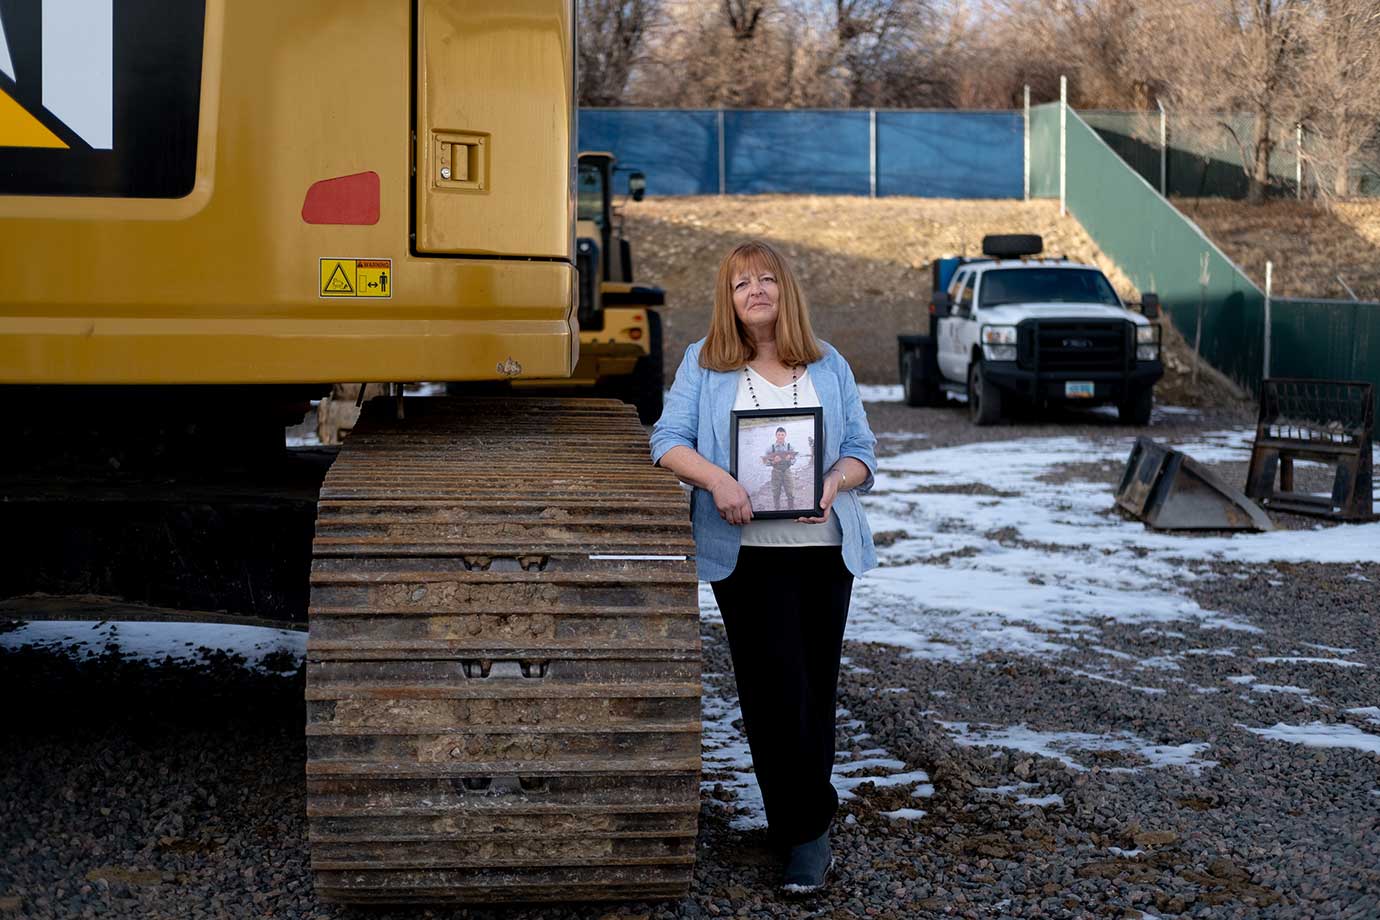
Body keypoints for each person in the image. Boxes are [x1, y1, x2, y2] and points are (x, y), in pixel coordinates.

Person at [650, 240, 877, 896]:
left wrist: (834, 481)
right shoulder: (705, 362)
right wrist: (719, 482)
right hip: (747, 556)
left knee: (814, 691)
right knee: (773, 693)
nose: (755, 291)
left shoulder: (827, 362)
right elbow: (667, 440)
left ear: (787, 290)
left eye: (767, 280)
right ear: (728, 297)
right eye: (742, 282)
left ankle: (804, 826)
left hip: (824, 553)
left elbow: (862, 449)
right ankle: (805, 833)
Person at [763, 426, 797, 510]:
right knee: (776, 492)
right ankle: (777, 509)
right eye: (779, 435)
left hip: (787, 471)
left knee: (790, 492)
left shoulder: (790, 447)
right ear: (776, 435)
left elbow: (794, 460)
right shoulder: (770, 448)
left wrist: (790, 460)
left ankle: (791, 509)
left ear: (785, 435)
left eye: (782, 434)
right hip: (776, 472)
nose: (780, 436)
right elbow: (766, 463)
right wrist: (773, 462)